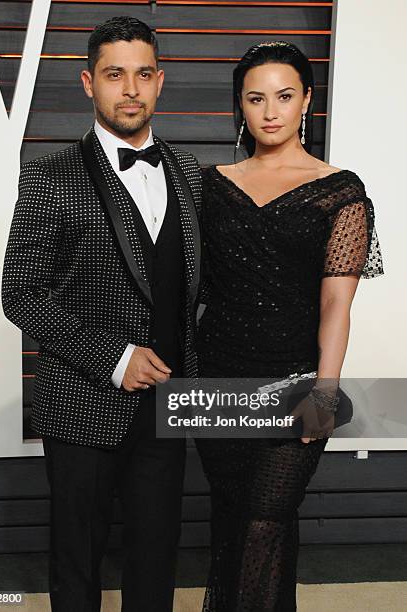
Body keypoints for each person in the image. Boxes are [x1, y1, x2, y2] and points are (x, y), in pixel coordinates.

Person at [1, 16, 201, 612]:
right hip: (83, 403)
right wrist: (113, 359)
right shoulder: (49, 177)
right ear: (90, 83)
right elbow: (21, 294)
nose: (131, 89)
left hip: (169, 406)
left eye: (143, 74)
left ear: (161, 82)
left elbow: (191, 286)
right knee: (77, 567)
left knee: (156, 560)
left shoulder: (189, 173)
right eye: (116, 75)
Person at [194, 41, 384, 611]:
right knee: (232, 516)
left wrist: (325, 389)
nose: (270, 111)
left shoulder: (340, 191)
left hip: (296, 379)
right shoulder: (209, 186)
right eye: (256, 98)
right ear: (241, 106)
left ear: (306, 101)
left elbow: (335, 306)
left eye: (284, 96)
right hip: (216, 372)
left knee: (266, 517)